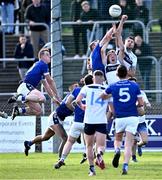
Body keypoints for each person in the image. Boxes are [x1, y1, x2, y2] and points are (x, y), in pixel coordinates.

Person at [100, 65, 144, 175]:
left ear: (117, 74)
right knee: (128, 144)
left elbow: (102, 96)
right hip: (132, 117)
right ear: (127, 73)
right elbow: (141, 103)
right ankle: (125, 166)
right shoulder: (134, 85)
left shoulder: (113, 86)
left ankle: (117, 150)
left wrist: (111, 95)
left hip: (119, 117)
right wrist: (136, 105)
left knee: (118, 138)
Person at [23, 83, 79, 158]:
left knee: (45, 137)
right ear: (71, 88)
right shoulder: (71, 97)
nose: (77, 87)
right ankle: (60, 159)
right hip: (55, 117)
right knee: (65, 138)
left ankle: (29, 143)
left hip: (58, 118)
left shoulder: (71, 97)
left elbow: (63, 105)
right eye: (76, 86)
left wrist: (58, 103)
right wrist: (76, 110)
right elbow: (68, 104)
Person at [9, 48, 61, 120]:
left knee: (38, 111)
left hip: (26, 88)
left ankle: (19, 110)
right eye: (48, 55)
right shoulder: (43, 64)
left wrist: (53, 97)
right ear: (42, 57)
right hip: (26, 86)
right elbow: (50, 81)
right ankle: (19, 97)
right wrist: (57, 95)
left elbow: (46, 85)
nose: (50, 57)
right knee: (42, 98)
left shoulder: (39, 65)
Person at [54, 74, 93, 169]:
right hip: (88, 122)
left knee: (70, 141)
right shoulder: (94, 91)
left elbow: (68, 102)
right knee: (90, 144)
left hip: (76, 122)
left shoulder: (77, 90)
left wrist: (75, 109)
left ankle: (62, 159)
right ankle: (92, 162)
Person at [76, 70, 110, 176]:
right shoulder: (107, 89)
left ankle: (92, 170)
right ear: (103, 79)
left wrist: (83, 107)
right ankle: (99, 154)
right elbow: (111, 107)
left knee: (89, 146)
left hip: (89, 120)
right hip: (101, 120)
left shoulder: (86, 88)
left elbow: (77, 100)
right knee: (101, 145)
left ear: (93, 78)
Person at [128, 77, 151, 162]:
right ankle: (134, 158)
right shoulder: (127, 95)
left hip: (141, 121)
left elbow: (145, 101)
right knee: (133, 140)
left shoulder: (141, 93)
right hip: (132, 120)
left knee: (145, 141)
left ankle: (139, 145)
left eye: (135, 83)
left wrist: (148, 104)